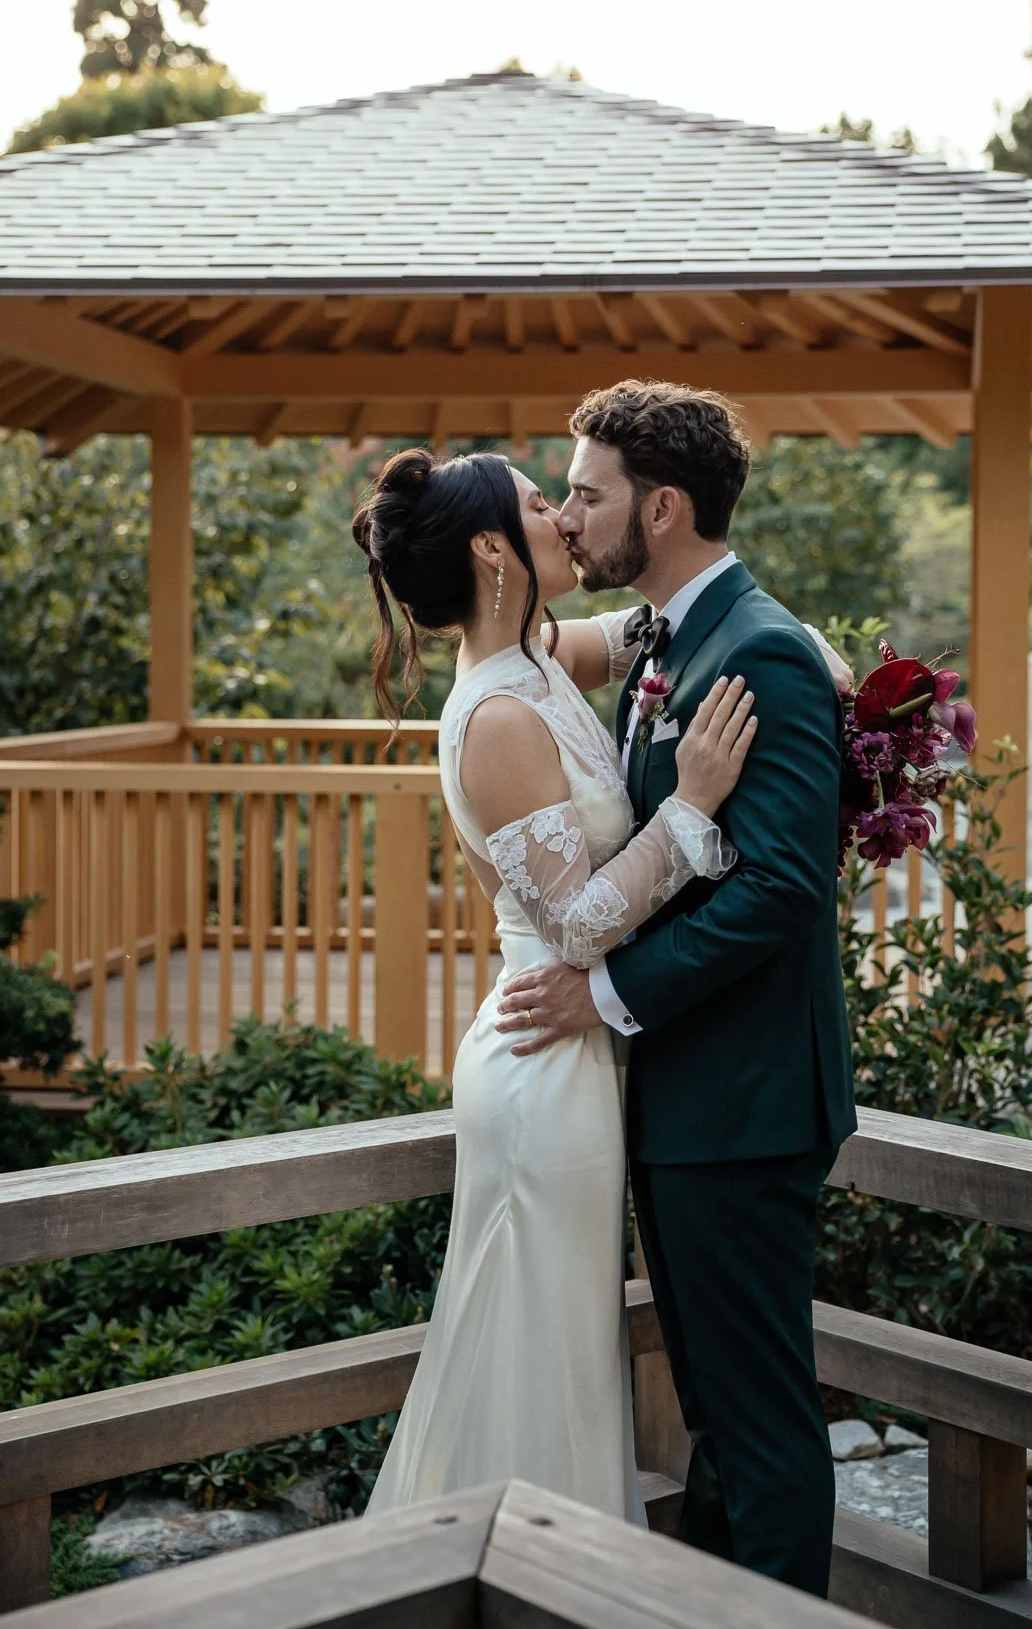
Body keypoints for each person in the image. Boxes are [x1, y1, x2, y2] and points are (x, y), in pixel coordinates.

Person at [496, 380, 857, 1598]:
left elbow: (784, 890)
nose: (573, 512)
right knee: (717, 1407)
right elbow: (512, 637)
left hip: (748, 1103)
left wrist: (605, 998)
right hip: (692, 1098)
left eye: (587, 495)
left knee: (756, 1417)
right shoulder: (664, 632)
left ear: (663, 508)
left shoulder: (758, 650)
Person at [352, 444, 757, 1524]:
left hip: (576, 1053)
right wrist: (695, 801)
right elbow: (577, 923)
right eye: (544, 505)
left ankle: (548, 1559)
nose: (567, 520)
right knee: (543, 1352)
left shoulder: (539, 656)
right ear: (494, 548)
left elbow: (654, 625)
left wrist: (802, 651)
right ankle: (525, 1560)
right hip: (543, 1058)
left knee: (565, 1340)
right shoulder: (495, 720)